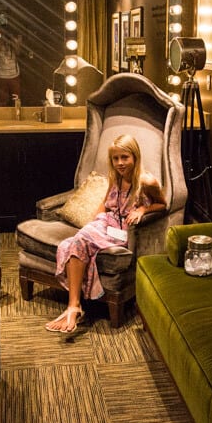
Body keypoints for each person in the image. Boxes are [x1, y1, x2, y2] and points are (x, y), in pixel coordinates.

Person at [45, 134, 167, 333]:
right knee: (74, 242)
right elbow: (105, 202)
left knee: (78, 241)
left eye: (124, 157)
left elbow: (163, 204)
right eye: (115, 158)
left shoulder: (147, 181)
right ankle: (74, 306)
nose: (120, 163)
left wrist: (143, 210)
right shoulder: (115, 177)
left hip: (122, 231)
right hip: (106, 223)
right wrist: (94, 221)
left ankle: (74, 307)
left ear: (135, 156)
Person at [0, 23, 22, 106]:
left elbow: (18, 52)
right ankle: (2, 113)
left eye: (5, 32)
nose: (3, 33)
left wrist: (12, 41)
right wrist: (1, 41)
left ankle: (16, 114)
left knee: (16, 98)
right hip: (0, 74)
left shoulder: (14, 41)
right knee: (2, 98)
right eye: (2, 32)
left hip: (14, 74)